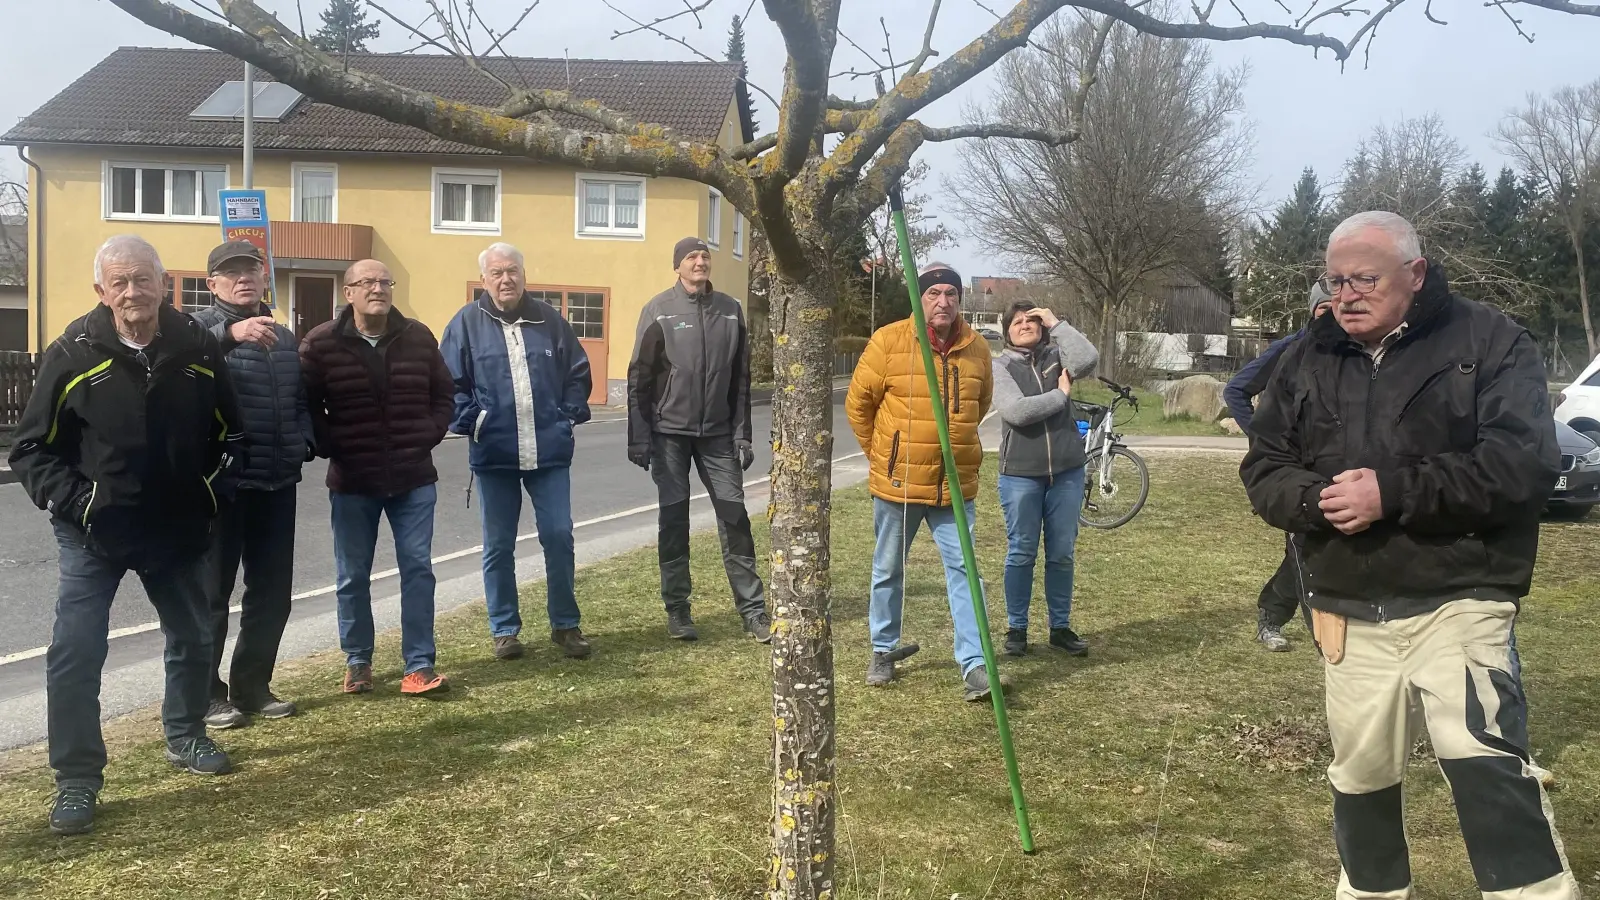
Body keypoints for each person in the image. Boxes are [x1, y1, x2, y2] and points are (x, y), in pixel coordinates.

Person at [1242, 211, 1580, 899]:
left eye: (1365, 279)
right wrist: (1315, 502)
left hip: (1459, 593)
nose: (1347, 296)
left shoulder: (1489, 339)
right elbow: (1265, 465)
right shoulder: (1308, 356)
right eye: (1336, 281)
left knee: (1483, 764)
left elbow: (1522, 465)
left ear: (1416, 273)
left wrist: (1391, 494)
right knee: (1360, 777)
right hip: (1345, 604)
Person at [9, 235, 245, 835]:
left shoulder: (197, 347)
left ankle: (186, 734)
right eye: (120, 282)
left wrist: (207, 493)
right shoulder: (72, 353)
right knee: (76, 652)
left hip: (176, 528)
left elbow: (231, 435)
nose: (133, 291)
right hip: (94, 532)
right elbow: (32, 450)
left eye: (143, 279)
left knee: (193, 636)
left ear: (164, 284)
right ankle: (76, 779)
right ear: (101, 290)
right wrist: (81, 504)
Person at [300, 259, 455, 697]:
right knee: (352, 575)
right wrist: (333, 444)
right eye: (367, 282)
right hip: (353, 480)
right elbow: (305, 405)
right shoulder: (320, 344)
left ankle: (419, 665)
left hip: (413, 476)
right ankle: (358, 661)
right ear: (348, 292)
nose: (378, 289)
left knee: (418, 569)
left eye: (385, 282)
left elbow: (444, 393)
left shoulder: (418, 337)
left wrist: (429, 433)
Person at [845, 261, 997, 702]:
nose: (943, 302)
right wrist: (884, 456)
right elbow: (859, 405)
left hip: (954, 484)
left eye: (951, 294)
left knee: (966, 573)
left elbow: (981, 403)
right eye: (933, 293)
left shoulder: (977, 348)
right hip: (900, 484)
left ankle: (975, 664)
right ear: (919, 298)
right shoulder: (889, 341)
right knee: (888, 568)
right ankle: (883, 650)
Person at [441, 242, 593, 662]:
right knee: (498, 545)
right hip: (495, 454)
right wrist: (475, 422)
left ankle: (566, 625)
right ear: (484, 280)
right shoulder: (466, 323)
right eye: (497, 273)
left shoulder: (549, 320)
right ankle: (504, 630)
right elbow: (448, 384)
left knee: (559, 536)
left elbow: (577, 372)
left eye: (512, 271)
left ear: (524, 276)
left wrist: (566, 416)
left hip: (549, 453)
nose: (505, 279)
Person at [188, 242, 312, 728]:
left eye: (251, 271)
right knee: (210, 596)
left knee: (272, 594)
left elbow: (299, 398)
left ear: (264, 279)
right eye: (231, 272)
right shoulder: (196, 328)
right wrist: (228, 335)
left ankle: (253, 686)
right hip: (223, 486)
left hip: (277, 481)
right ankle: (205, 694)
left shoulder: (283, 337)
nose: (243, 279)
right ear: (212, 283)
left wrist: (303, 438)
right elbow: (178, 365)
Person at [627, 237, 768, 643]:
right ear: (678, 266)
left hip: (718, 435)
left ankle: (753, 612)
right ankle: (678, 610)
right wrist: (639, 438)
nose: (700, 261)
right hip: (668, 435)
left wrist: (742, 434)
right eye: (691, 257)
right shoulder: (659, 310)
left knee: (735, 517)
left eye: (705, 256)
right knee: (674, 520)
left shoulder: (730, 310)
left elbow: (741, 379)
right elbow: (639, 376)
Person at [1224, 285, 1332, 652]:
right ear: (1313, 310)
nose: (1335, 315)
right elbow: (1236, 390)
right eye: (1325, 308)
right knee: (1304, 544)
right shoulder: (1291, 348)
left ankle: (1273, 613)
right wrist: (1263, 438)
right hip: (1296, 469)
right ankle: (1320, 636)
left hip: (1340, 464)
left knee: (1313, 545)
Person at [990, 301, 1099, 658]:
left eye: (1032, 320)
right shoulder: (999, 366)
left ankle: (1060, 628)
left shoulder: (1057, 356)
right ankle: (1017, 629)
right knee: (1021, 553)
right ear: (1007, 331)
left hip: (1067, 471)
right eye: (1018, 322)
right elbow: (1017, 411)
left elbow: (1087, 360)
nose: (1025, 325)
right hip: (1021, 475)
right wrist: (1060, 395)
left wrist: (1056, 322)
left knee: (1062, 554)